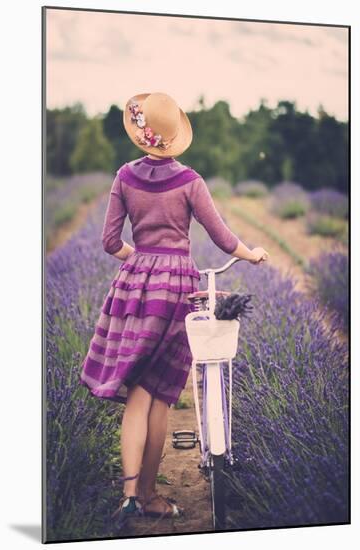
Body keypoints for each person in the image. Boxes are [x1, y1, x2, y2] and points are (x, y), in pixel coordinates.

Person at [79, 92, 269, 526]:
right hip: (177, 287)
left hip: (134, 287)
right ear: (174, 137)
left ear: (142, 134)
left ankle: (130, 495)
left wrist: (142, 260)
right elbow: (222, 237)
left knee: (136, 395)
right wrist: (253, 253)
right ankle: (148, 494)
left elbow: (110, 243)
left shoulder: (124, 177)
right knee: (161, 395)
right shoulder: (190, 181)